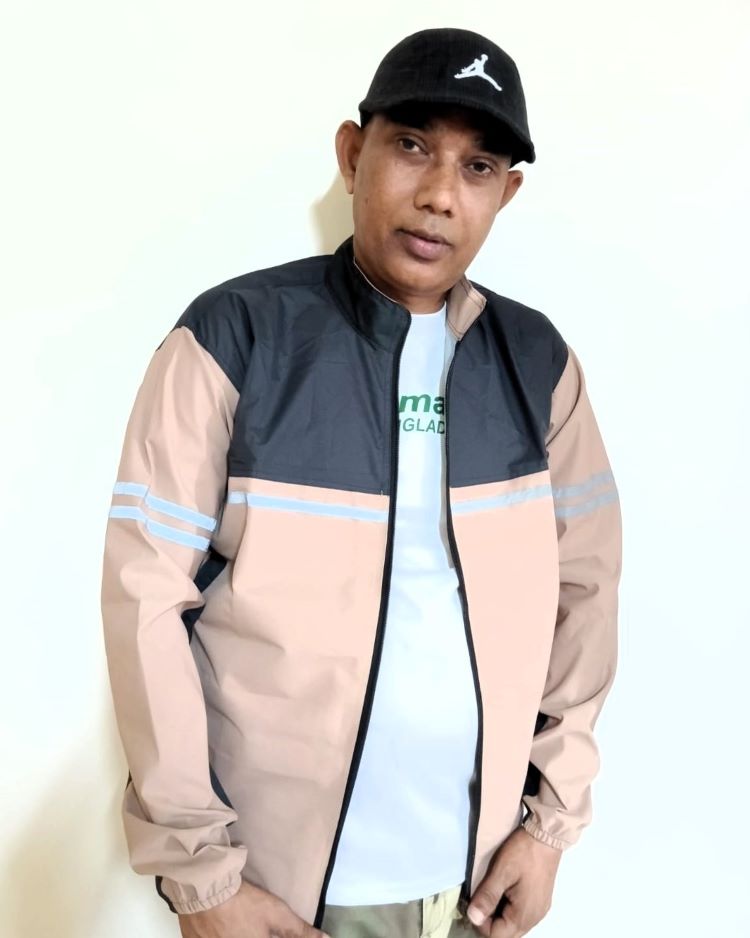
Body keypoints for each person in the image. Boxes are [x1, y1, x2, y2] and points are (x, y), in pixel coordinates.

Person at [100, 26, 622, 938]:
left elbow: (587, 595)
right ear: (352, 154)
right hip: (284, 889)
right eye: (412, 145)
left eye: (478, 166)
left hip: (477, 881)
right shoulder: (233, 337)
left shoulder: (539, 364)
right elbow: (144, 603)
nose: (439, 194)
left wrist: (549, 829)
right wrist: (203, 878)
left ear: (506, 192)